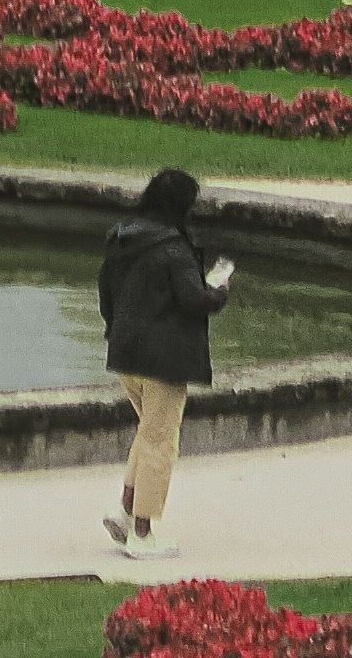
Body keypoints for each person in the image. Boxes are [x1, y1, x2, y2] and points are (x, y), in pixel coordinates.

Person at [98, 165, 233, 548]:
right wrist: (220, 289)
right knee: (161, 439)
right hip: (163, 360)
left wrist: (116, 329)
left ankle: (124, 510)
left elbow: (105, 292)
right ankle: (142, 533)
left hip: (125, 352)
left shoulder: (122, 239)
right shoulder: (174, 249)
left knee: (149, 431)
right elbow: (196, 299)